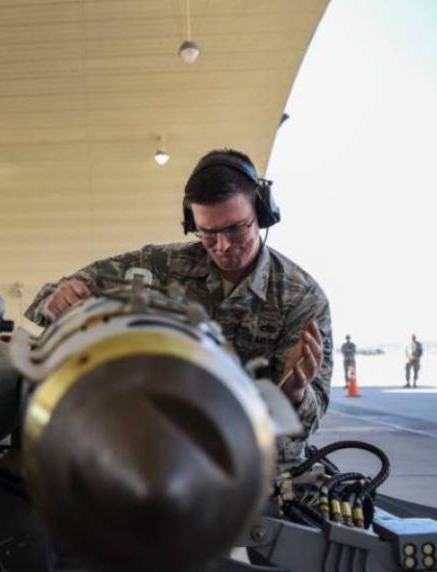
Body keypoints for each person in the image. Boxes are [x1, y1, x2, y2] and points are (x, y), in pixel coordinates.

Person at [25, 148, 332, 461]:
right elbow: (50, 296)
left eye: (236, 228)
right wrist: (56, 300)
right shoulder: (163, 265)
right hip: (165, 458)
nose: (223, 246)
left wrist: (295, 391)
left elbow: (306, 424)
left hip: (258, 469)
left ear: (263, 213)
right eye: (208, 233)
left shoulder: (301, 297)